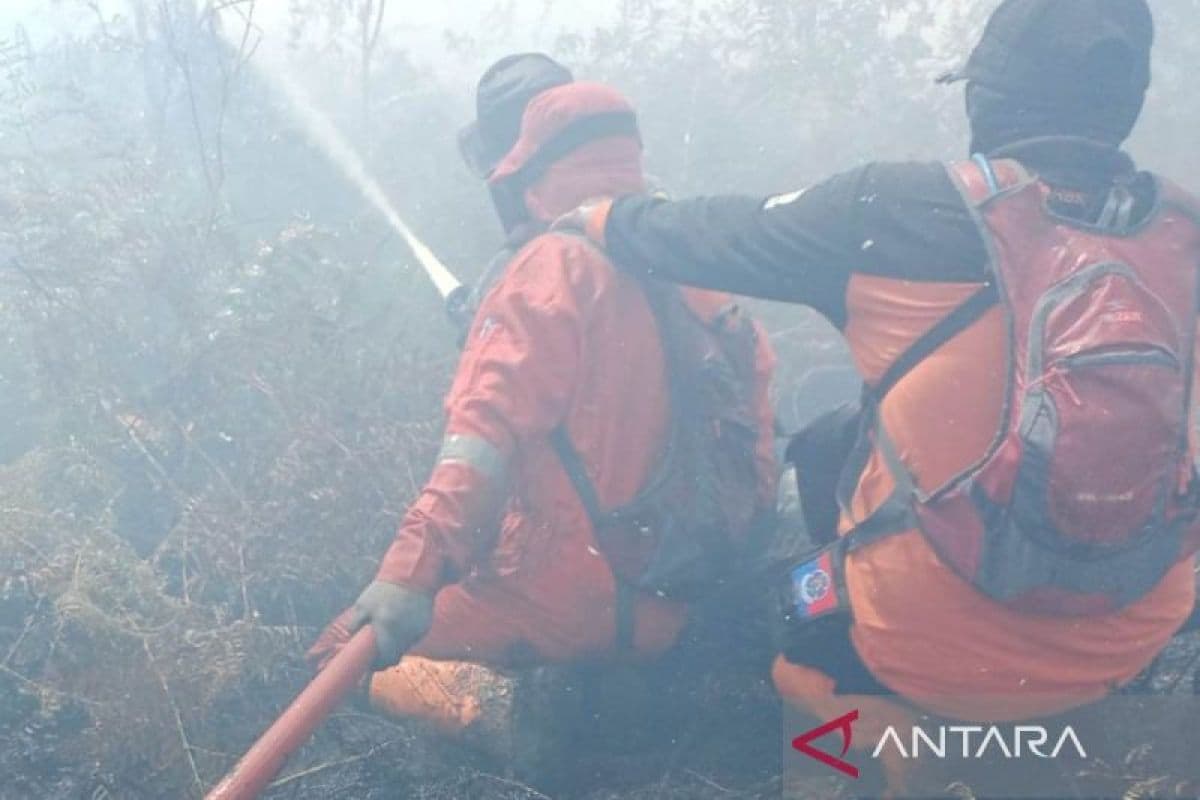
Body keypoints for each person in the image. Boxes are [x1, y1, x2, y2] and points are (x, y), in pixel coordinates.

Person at [563, 0, 1200, 755]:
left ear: (987, 97)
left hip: (926, 650)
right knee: (842, 434)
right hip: (1132, 634)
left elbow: (707, 234)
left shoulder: (902, 210)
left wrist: (599, 216)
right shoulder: (1184, 234)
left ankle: (884, 756)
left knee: (746, 631)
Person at [307, 54, 777, 746]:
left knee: (337, 655)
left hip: (573, 599)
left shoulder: (549, 271)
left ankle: (516, 715)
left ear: (528, 175)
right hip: (683, 597)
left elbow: (481, 445)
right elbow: (754, 441)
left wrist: (407, 580)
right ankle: (623, 686)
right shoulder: (692, 272)